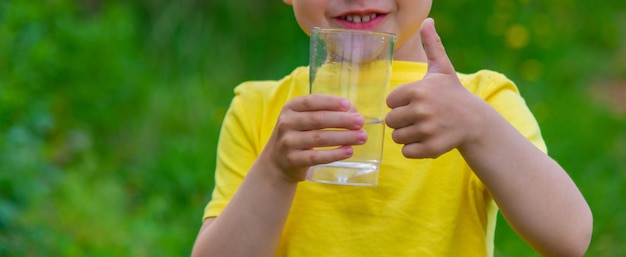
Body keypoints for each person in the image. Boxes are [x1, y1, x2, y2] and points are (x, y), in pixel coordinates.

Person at [191, 0, 593, 256]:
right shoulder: (260, 109)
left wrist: (479, 128)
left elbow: (569, 238)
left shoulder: (481, 102)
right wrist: (274, 171)